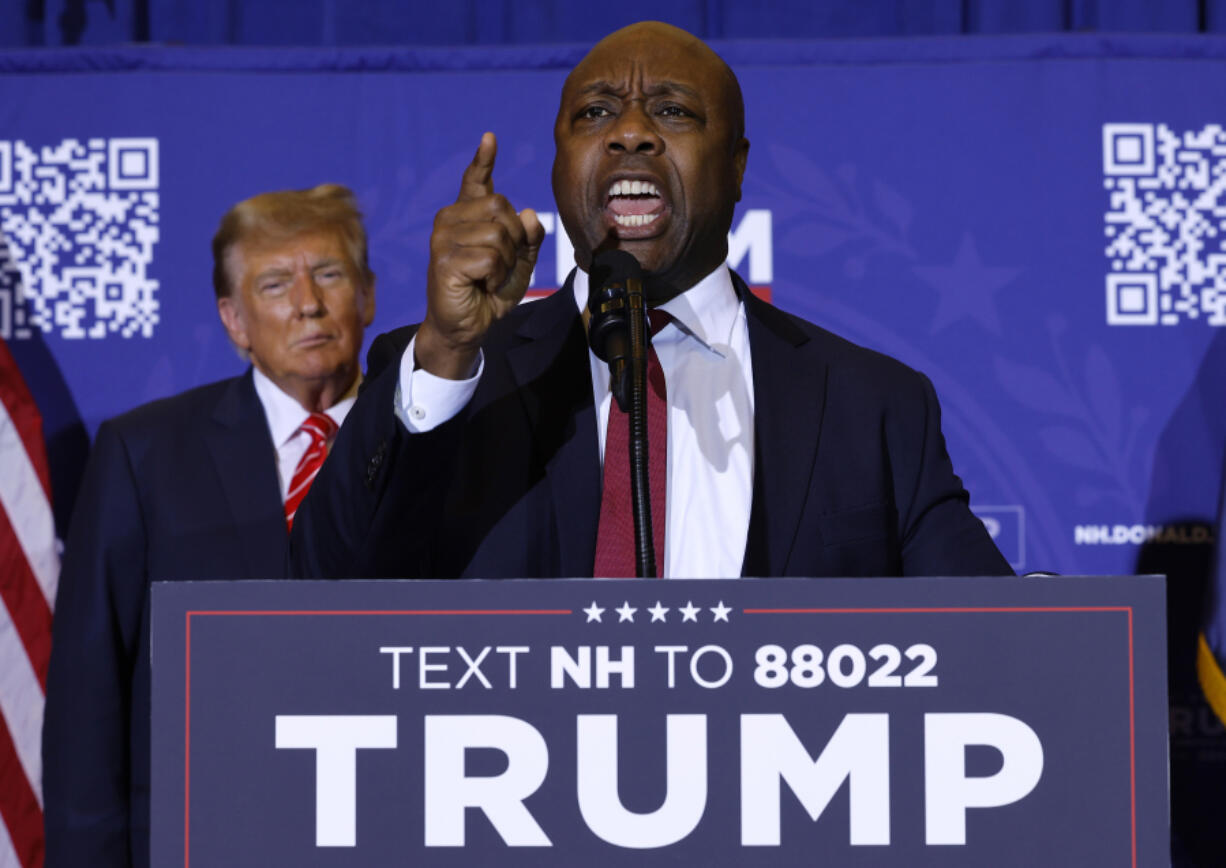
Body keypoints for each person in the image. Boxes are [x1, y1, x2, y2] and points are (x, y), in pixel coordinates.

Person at [290, 21, 1010, 581]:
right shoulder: (449, 372)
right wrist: (447, 352)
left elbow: (994, 642)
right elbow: (320, 591)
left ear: (736, 166)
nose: (630, 132)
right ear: (557, 163)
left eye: (672, 111)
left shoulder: (873, 403)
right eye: (596, 113)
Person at [42, 184, 376, 868]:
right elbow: (89, 697)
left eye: (331, 275)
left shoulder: (429, 443)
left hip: (387, 830)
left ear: (367, 297)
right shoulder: (146, 454)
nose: (308, 303)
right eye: (276, 283)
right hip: (199, 842)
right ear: (234, 320)